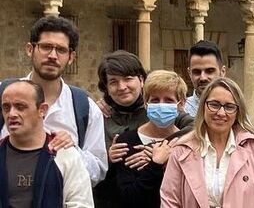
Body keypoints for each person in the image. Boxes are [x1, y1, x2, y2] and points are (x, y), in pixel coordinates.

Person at [0, 16, 108, 186]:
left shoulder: (85, 107)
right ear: (30, 49)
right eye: (46, 47)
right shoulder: (3, 95)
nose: (52, 55)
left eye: (61, 50)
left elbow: (98, 171)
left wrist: (72, 151)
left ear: (71, 57)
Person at [161, 77, 254, 208]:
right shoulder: (181, 150)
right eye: (214, 105)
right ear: (203, 106)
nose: (221, 113)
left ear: (238, 111)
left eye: (229, 107)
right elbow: (170, 202)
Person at [0, 79, 94, 208]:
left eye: (20, 107)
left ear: (42, 109)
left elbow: (81, 204)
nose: (12, 114)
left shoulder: (65, 155)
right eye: (6, 107)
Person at [114, 70, 190, 208]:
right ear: (146, 103)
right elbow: (128, 197)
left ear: (181, 103)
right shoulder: (126, 142)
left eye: (168, 100)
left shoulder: (188, 142)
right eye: (155, 100)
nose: (161, 105)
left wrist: (169, 163)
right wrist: (155, 164)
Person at [94, 50, 148, 208]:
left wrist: (161, 151)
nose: (121, 87)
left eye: (128, 79)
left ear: (141, 80)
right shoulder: (96, 116)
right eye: (113, 82)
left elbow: (194, 127)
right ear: (106, 88)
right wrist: (106, 158)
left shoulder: (157, 112)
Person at [184, 40, 226, 116]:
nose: (203, 78)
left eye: (209, 71)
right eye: (196, 72)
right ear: (189, 73)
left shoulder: (234, 111)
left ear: (222, 72)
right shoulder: (181, 111)